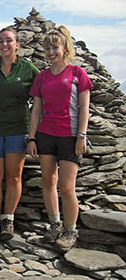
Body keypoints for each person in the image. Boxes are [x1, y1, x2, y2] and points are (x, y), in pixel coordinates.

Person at [28, 25, 92, 251]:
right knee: (48, 182)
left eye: (55, 47)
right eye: (47, 49)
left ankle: (70, 229)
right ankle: (54, 224)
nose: (51, 52)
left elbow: (85, 108)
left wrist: (81, 135)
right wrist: (32, 138)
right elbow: (35, 110)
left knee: (66, 187)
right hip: (46, 135)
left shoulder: (77, 74)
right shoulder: (42, 77)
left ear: (65, 48)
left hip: (70, 136)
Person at [0, 27, 39, 241]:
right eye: (0, 41)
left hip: (18, 129)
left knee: (14, 177)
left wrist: (33, 117)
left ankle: (8, 220)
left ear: (17, 45)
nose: (4, 44)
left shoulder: (28, 68)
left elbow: (41, 95)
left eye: (8, 40)